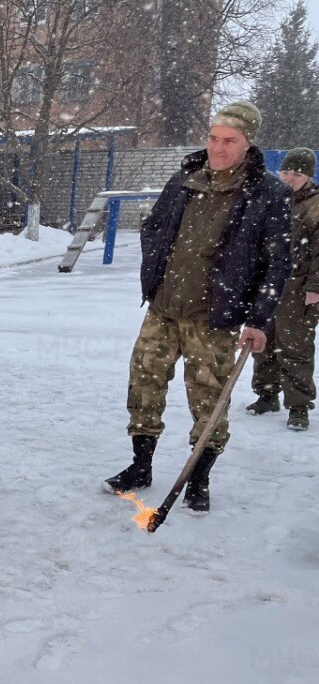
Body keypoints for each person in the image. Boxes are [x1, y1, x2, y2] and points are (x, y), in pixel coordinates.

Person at [104, 101, 292, 513]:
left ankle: (198, 477)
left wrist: (258, 320)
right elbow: (154, 226)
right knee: (144, 386)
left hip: (213, 318)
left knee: (209, 399)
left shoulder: (267, 193)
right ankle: (141, 465)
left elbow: (277, 263)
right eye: (213, 137)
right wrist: (154, 274)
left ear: (248, 143)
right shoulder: (185, 178)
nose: (218, 148)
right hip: (163, 309)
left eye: (229, 140)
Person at [245, 147, 319, 431]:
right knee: (263, 342)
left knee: (295, 347)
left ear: (308, 176)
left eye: (297, 174)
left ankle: (298, 407)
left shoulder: (314, 205)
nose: (289, 178)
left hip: (299, 288)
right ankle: (266, 394)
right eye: (285, 172)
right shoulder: (269, 198)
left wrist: (315, 286)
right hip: (267, 286)